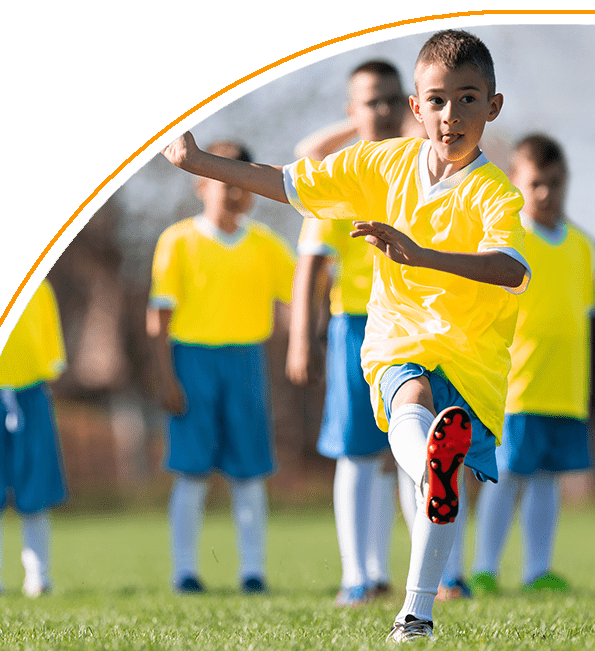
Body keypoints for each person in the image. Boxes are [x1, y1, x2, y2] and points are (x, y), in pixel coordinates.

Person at [160, 29, 530, 642]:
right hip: (398, 340)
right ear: (416, 108)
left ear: (492, 106)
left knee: (434, 465)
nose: (451, 115)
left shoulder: (496, 193)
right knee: (413, 412)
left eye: (468, 99)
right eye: (436, 100)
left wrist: (420, 255)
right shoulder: (381, 164)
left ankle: (418, 610)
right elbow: (288, 182)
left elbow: (511, 269)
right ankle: (424, 511)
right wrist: (198, 163)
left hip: (473, 354)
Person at [286, 60, 410, 607]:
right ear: (351, 110)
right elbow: (312, 262)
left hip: (416, 326)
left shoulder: (424, 167)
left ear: (408, 103)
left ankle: (432, 574)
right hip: (356, 325)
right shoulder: (338, 173)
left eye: (390, 99)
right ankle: (357, 575)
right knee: (358, 451)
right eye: (368, 101)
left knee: (412, 448)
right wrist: (299, 336)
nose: (381, 111)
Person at [147, 141, 295, 595]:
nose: (232, 194)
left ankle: (253, 572)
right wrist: (165, 375)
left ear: (251, 190)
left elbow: (297, 300)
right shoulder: (177, 241)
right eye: (221, 182)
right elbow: (159, 317)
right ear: (200, 185)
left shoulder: (267, 245)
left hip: (247, 363)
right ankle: (184, 573)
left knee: (248, 472)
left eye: (239, 183)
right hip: (193, 363)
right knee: (191, 472)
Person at [470, 134, 595, 594]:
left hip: (564, 388)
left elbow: (581, 317)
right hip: (517, 386)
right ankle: (484, 567)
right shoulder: (509, 240)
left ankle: (536, 571)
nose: (546, 193)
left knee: (547, 479)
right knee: (506, 477)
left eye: (555, 183)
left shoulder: (583, 247)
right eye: (536, 183)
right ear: (517, 183)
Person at [0, 278, 68, 597]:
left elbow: (52, 356)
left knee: (35, 492)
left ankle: (39, 577)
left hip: (32, 397)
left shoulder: (41, 288)